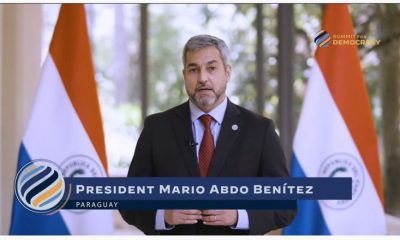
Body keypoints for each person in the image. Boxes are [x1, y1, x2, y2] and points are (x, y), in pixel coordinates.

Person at [120, 34, 296, 235]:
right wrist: (163, 215)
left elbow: (285, 206)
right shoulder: (157, 128)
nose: (202, 78)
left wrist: (238, 216)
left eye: (211, 68)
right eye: (193, 70)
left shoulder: (259, 130)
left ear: (227, 73)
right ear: (184, 75)